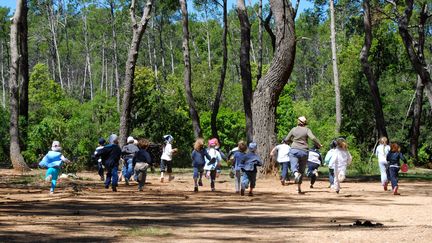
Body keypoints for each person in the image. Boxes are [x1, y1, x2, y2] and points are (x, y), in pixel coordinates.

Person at [285, 116, 322, 193]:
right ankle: (299, 188)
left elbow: (287, 139)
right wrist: (319, 144)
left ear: (298, 122)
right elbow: (313, 138)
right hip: (304, 151)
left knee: (293, 165)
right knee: (301, 170)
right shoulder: (307, 130)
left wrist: (290, 141)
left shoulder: (293, 129)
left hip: (294, 150)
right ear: (305, 123)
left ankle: (295, 174)